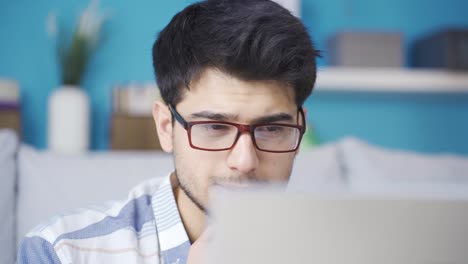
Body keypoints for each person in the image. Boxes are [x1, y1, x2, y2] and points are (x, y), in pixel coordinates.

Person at [17, 0, 319, 263]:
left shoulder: (350, 247)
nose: (245, 161)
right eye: (214, 127)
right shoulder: (61, 252)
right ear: (165, 126)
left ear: (299, 128)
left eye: (271, 128)